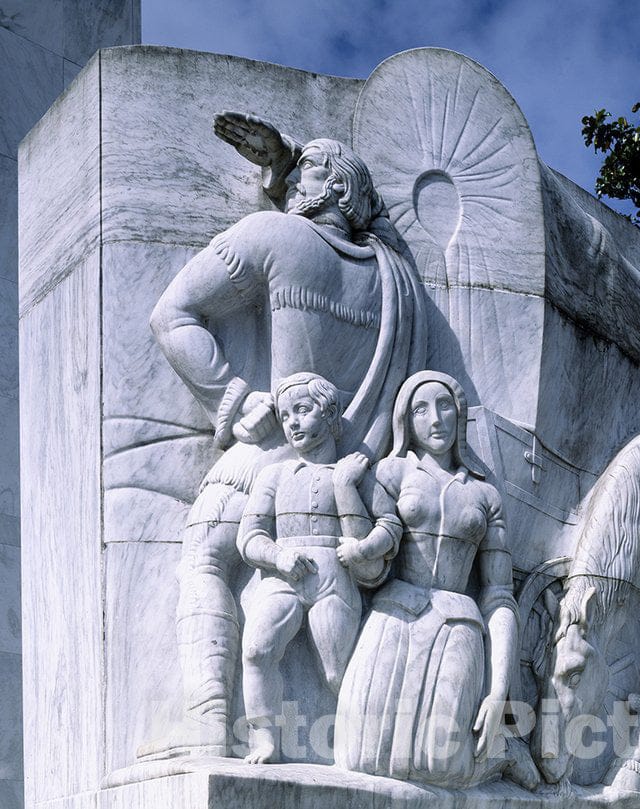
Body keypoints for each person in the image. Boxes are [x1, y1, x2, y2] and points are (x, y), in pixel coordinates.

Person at [141, 113, 426, 759]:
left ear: (328, 188)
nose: (294, 181)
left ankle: (210, 719)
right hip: (354, 479)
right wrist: (295, 165)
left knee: (206, 559)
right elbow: (373, 222)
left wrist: (231, 397)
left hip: (267, 459)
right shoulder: (397, 279)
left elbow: (171, 314)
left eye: (305, 173)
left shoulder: (273, 236)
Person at [334, 371, 537, 789]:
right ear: (406, 420)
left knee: (443, 765)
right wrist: (345, 491)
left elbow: (499, 596)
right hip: (394, 617)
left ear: (460, 415)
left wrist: (499, 688)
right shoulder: (390, 474)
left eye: (445, 406)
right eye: (421, 409)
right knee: (359, 755)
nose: (435, 419)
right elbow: (369, 567)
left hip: (457, 624)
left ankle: (505, 754)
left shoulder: (485, 495)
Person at [237, 372, 401, 764]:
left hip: (335, 578)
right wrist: (278, 556)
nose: (292, 422)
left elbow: (390, 526)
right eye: (286, 415)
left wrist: (363, 543)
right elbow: (249, 535)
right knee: (257, 649)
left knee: (338, 673)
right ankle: (264, 739)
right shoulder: (273, 475)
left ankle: (362, 745)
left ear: (329, 415)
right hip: (285, 575)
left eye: (303, 410)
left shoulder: (356, 474)